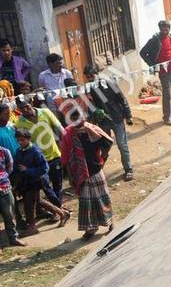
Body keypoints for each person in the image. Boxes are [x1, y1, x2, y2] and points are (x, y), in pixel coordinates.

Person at [61, 109, 113, 240]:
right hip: (80, 173)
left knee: (103, 197)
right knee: (86, 202)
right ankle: (90, 229)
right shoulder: (68, 133)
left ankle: (110, 222)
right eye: (75, 119)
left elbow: (107, 143)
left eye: (80, 118)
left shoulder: (93, 129)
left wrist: (103, 159)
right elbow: (66, 156)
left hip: (95, 170)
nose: (79, 121)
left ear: (84, 117)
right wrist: (71, 176)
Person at [11, 127, 67, 234]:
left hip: (35, 181)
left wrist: (28, 170)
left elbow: (44, 168)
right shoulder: (18, 151)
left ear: (29, 139)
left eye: (22, 140)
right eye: (18, 140)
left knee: (29, 205)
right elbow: (16, 167)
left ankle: (32, 227)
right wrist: (16, 183)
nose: (20, 142)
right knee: (39, 201)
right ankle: (62, 213)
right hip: (25, 182)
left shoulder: (35, 151)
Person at [83, 65, 134, 181]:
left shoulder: (109, 83)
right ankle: (98, 171)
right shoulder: (89, 88)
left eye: (92, 76)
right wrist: (95, 111)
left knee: (122, 144)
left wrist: (128, 115)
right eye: (88, 77)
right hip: (103, 121)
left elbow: (122, 99)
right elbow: (89, 105)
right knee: (104, 146)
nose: (90, 79)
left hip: (117, 118)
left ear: (97, 74)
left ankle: (128, 169)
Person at [15, 97, 65, 208]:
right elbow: (22, 142)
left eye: (27, 106)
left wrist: (66, 144)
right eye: (22, 108)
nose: (26, 110)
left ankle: (59, 209)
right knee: (46, 187)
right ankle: (59, 208)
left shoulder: (45, 112)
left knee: (58, 184)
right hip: (39, 161)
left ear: (31, 103)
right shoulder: (19, 123)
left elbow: (60, 128)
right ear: (19, 109)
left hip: (55, 155)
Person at [140, 20, 171, 124]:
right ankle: (167, 117)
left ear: (169, 29)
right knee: (167, 95)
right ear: (159, 29)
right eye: (162, 29)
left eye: (166, 29)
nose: (165, 31)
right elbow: (143, 52)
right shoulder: (155, 40)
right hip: (164, 72)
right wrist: (152, 64)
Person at [0, 139, 19, 248]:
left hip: (5, 188)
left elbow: (10, 168)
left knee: (10, 215)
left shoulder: (5, 152)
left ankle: (14, 238)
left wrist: (3, 177)